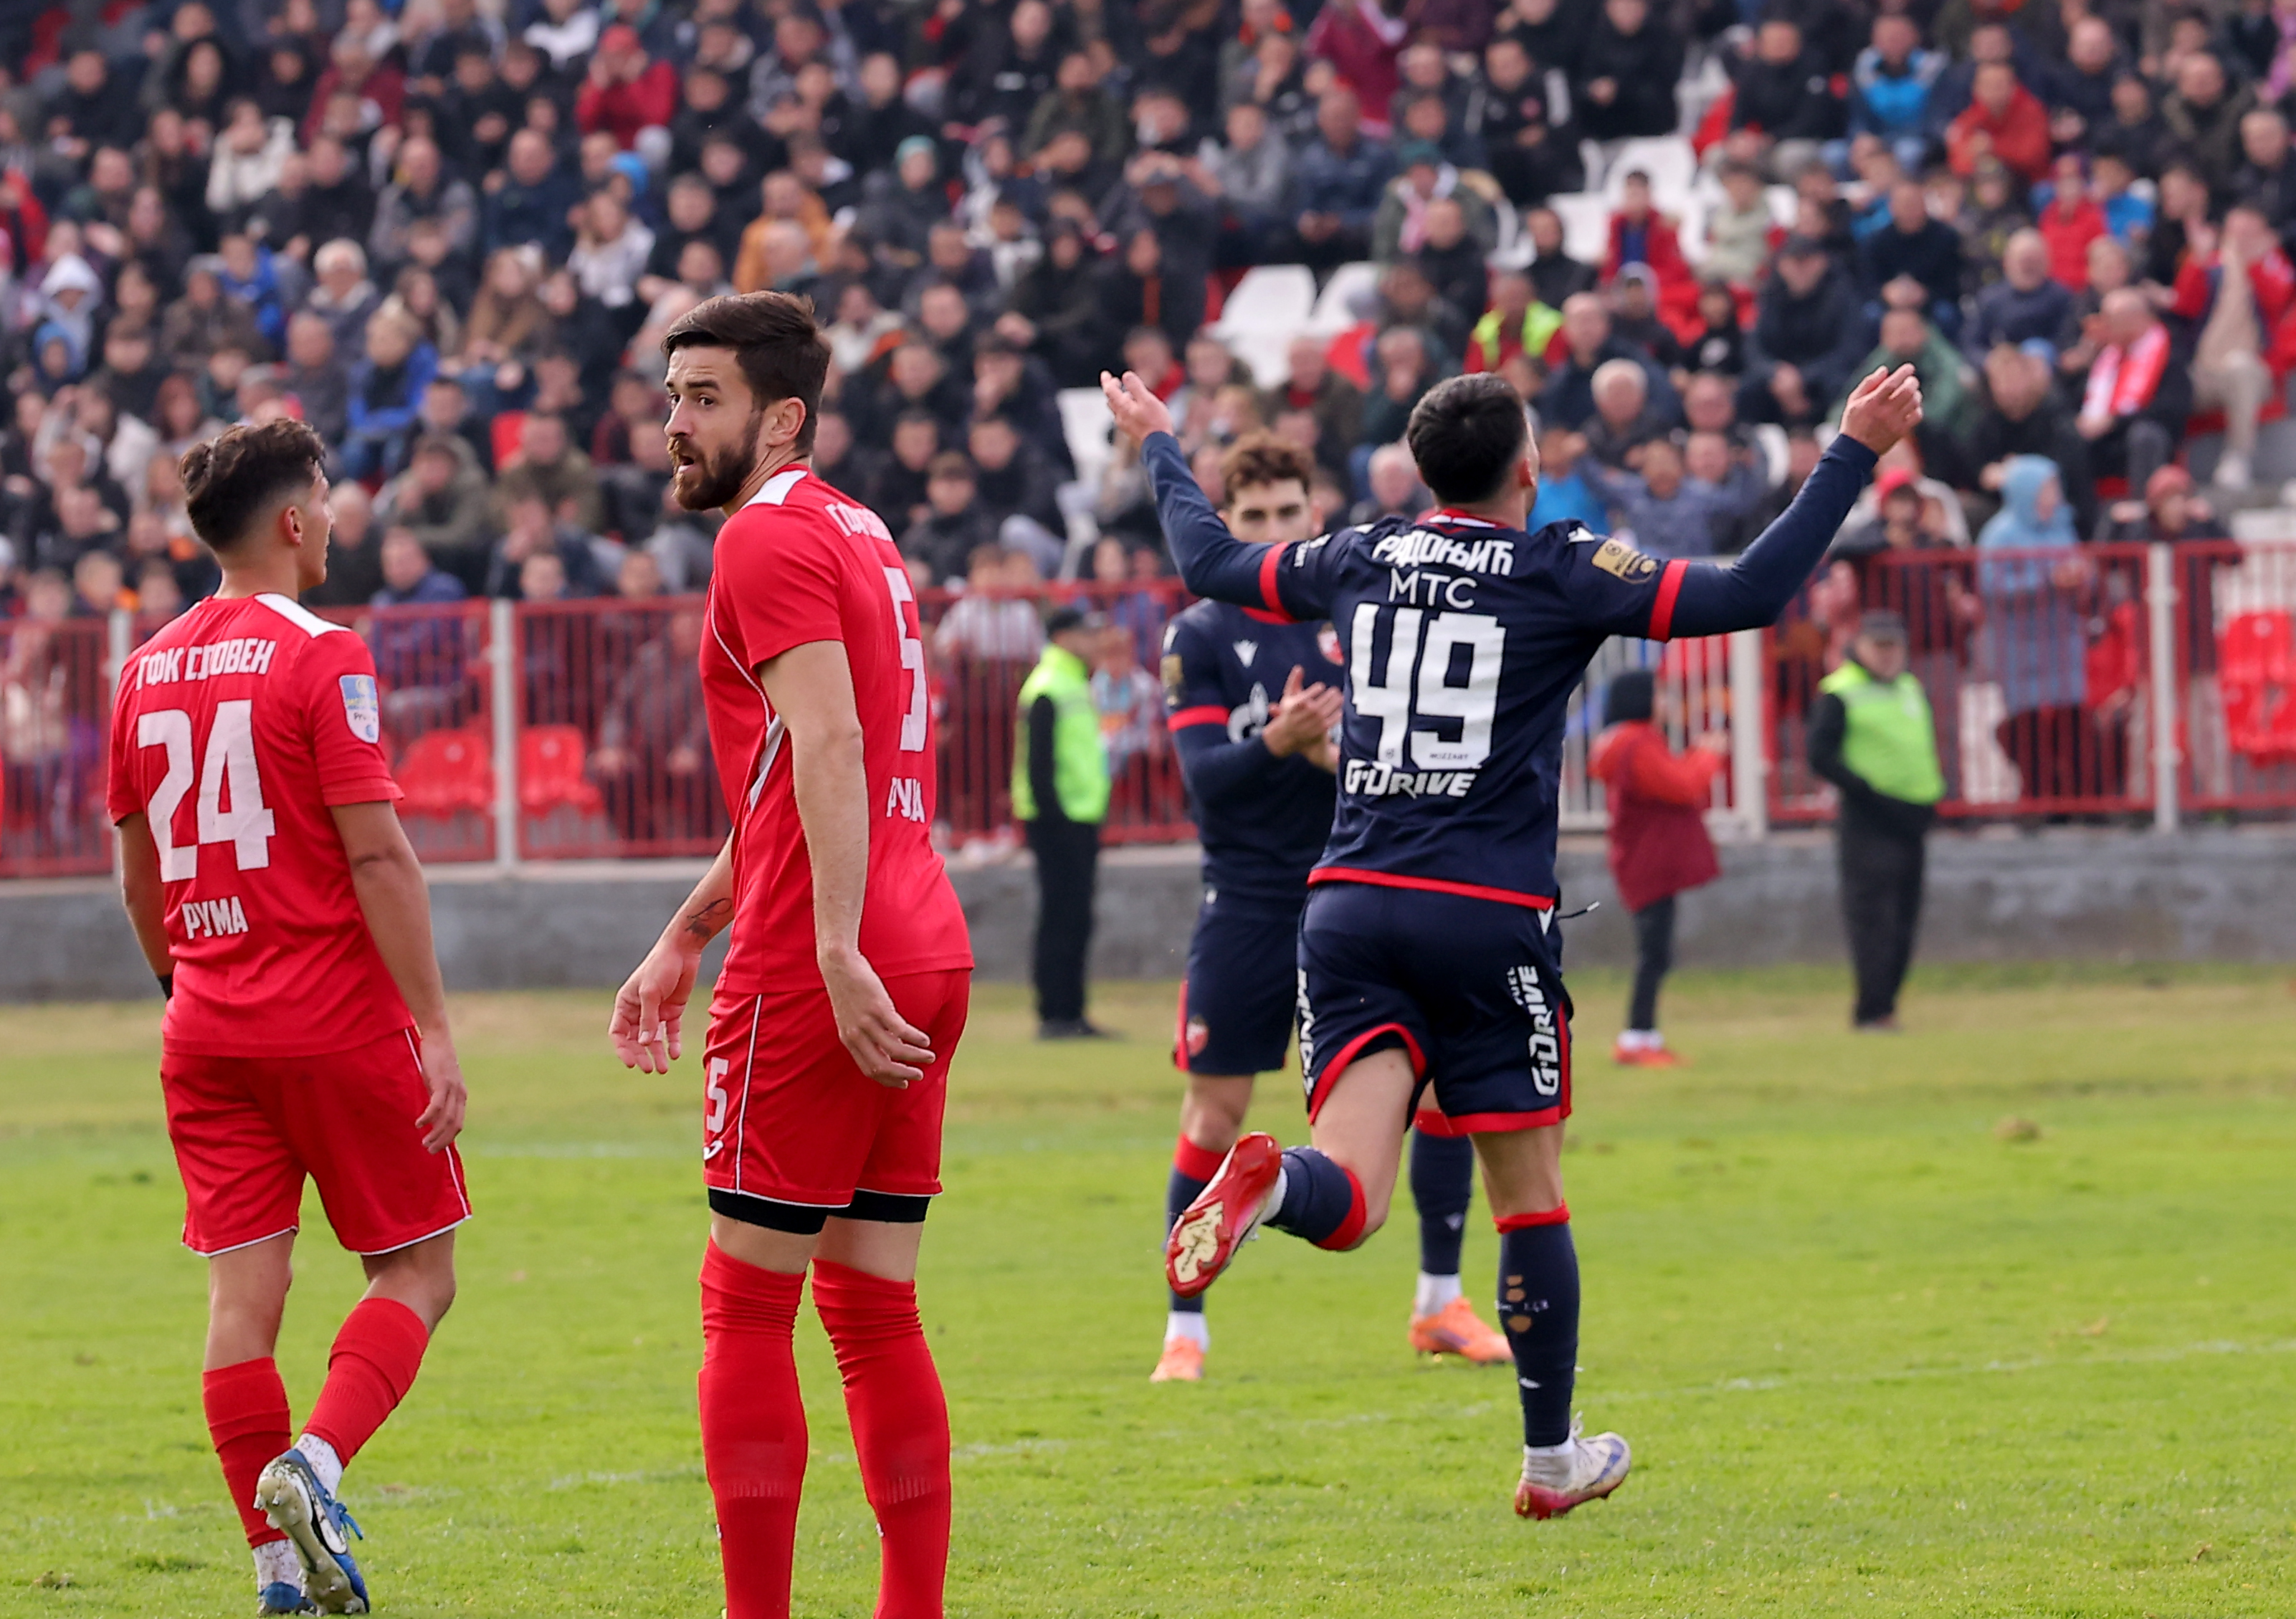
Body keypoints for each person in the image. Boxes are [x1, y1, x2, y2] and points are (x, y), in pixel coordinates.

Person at [1103, 359, 1923, 1519]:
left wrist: (1158, 441)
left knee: (1348, 1189)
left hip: (1340, 904)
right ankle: (1549, 1458)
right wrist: (1852, 449)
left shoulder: (1361, 552)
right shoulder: (1560, 564)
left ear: (1420, 471)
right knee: (1527, 1195)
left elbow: (1203, 562)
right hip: (1481, 914)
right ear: (1527, 470)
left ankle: (1269, 1179)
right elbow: (1748, 587)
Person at [609, 292, 972, 1619]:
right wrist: (681, 933)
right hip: (921, 930)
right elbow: (792, 777)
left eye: (702, 397)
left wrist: (823, 942)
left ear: (782, 415)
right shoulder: (859, 530)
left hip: (831, 950)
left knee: (744, 1305)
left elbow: (827, 746)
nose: (674, 423)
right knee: (874, 1308)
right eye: (670, 396)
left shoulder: (760, 538)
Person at [106, 418, 468, 1617]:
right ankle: (312, 1463)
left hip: (204, 1026)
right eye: (324, 497)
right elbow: (378, 853)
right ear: (295, 521)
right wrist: (431, 1025)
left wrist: (184, 988)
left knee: (239, 1305)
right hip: (334, 1015)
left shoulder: (144, 664)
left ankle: (273, 1573)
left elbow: (140, 872)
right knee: (418, 1267)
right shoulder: (326, 652)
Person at [1153, 434, 1508, 1385]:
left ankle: (1439, 1300)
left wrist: (1322, 753)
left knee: (1438, 1093)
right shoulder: (1199, 635)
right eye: (1252, 517)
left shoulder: (1357, 617)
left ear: (1314, 513)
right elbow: (1202, 786)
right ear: (1229, 526)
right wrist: (1276, 739)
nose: (1272, 528)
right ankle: (1184, 1324)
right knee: (1215, 1108)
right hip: (1248, 902)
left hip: (1354, 890)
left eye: (1286, 512)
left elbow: (1399, 762)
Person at [1806, 611, 1943, 1030]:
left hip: (1911, 818)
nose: (1886, 657)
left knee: (1904, 918)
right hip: (1870, 819)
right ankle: (1872, 1009)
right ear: (1860, 647)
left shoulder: (1909, 687)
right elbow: (1821, 755)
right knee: (1874, 919)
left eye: (1893, 648)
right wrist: (1863, 789)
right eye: (1878, 647)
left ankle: (1887, 1005)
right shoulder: (1840, 693)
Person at [1587, 668, 1724, 1066]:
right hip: (1650, 862)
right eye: (1660, 694)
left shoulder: (1624, 741)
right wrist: (1707, 755)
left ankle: (1643, 1035)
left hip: (1641, 859)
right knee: (1654, 954)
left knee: (1656, 952)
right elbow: (1680, 786)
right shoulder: (1637, 741)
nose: (1666, 703)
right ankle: (1637, 1037)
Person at [1015, 605, 1113, 1040]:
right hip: (1059, 821)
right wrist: (1054, 818)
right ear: (1064, 637)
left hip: (1078, 816)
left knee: (1075, 916)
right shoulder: (1049, 686)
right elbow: (1039, 765)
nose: (1095, 642)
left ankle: (1071, 1011)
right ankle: (1056, 1013)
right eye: (1087, 633)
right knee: (1061, 916)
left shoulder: (1070, 681)